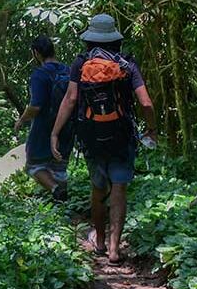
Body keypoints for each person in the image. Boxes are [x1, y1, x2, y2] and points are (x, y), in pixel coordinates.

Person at [50, 14, 157, 265]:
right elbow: (146, 103)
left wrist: (55, 133)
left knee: (98, 188)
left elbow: (71, 99)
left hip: (91, 136)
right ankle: (114, 249)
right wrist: (151, 130)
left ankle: (98, 241)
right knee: (119, 187)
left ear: (90, 39)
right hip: (121, 136)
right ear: (114, 38)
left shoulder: (80, 63)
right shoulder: (127, 65)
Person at [14, 36, 73, 202]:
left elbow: (36, 106)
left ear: (36, 53)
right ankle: (64, 203)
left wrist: (22, 119)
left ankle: (55, 190)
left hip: (44, 127)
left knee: (33, 165)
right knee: (59, 164)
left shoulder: (39, 75)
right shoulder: (67, 71)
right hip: (67, 125)